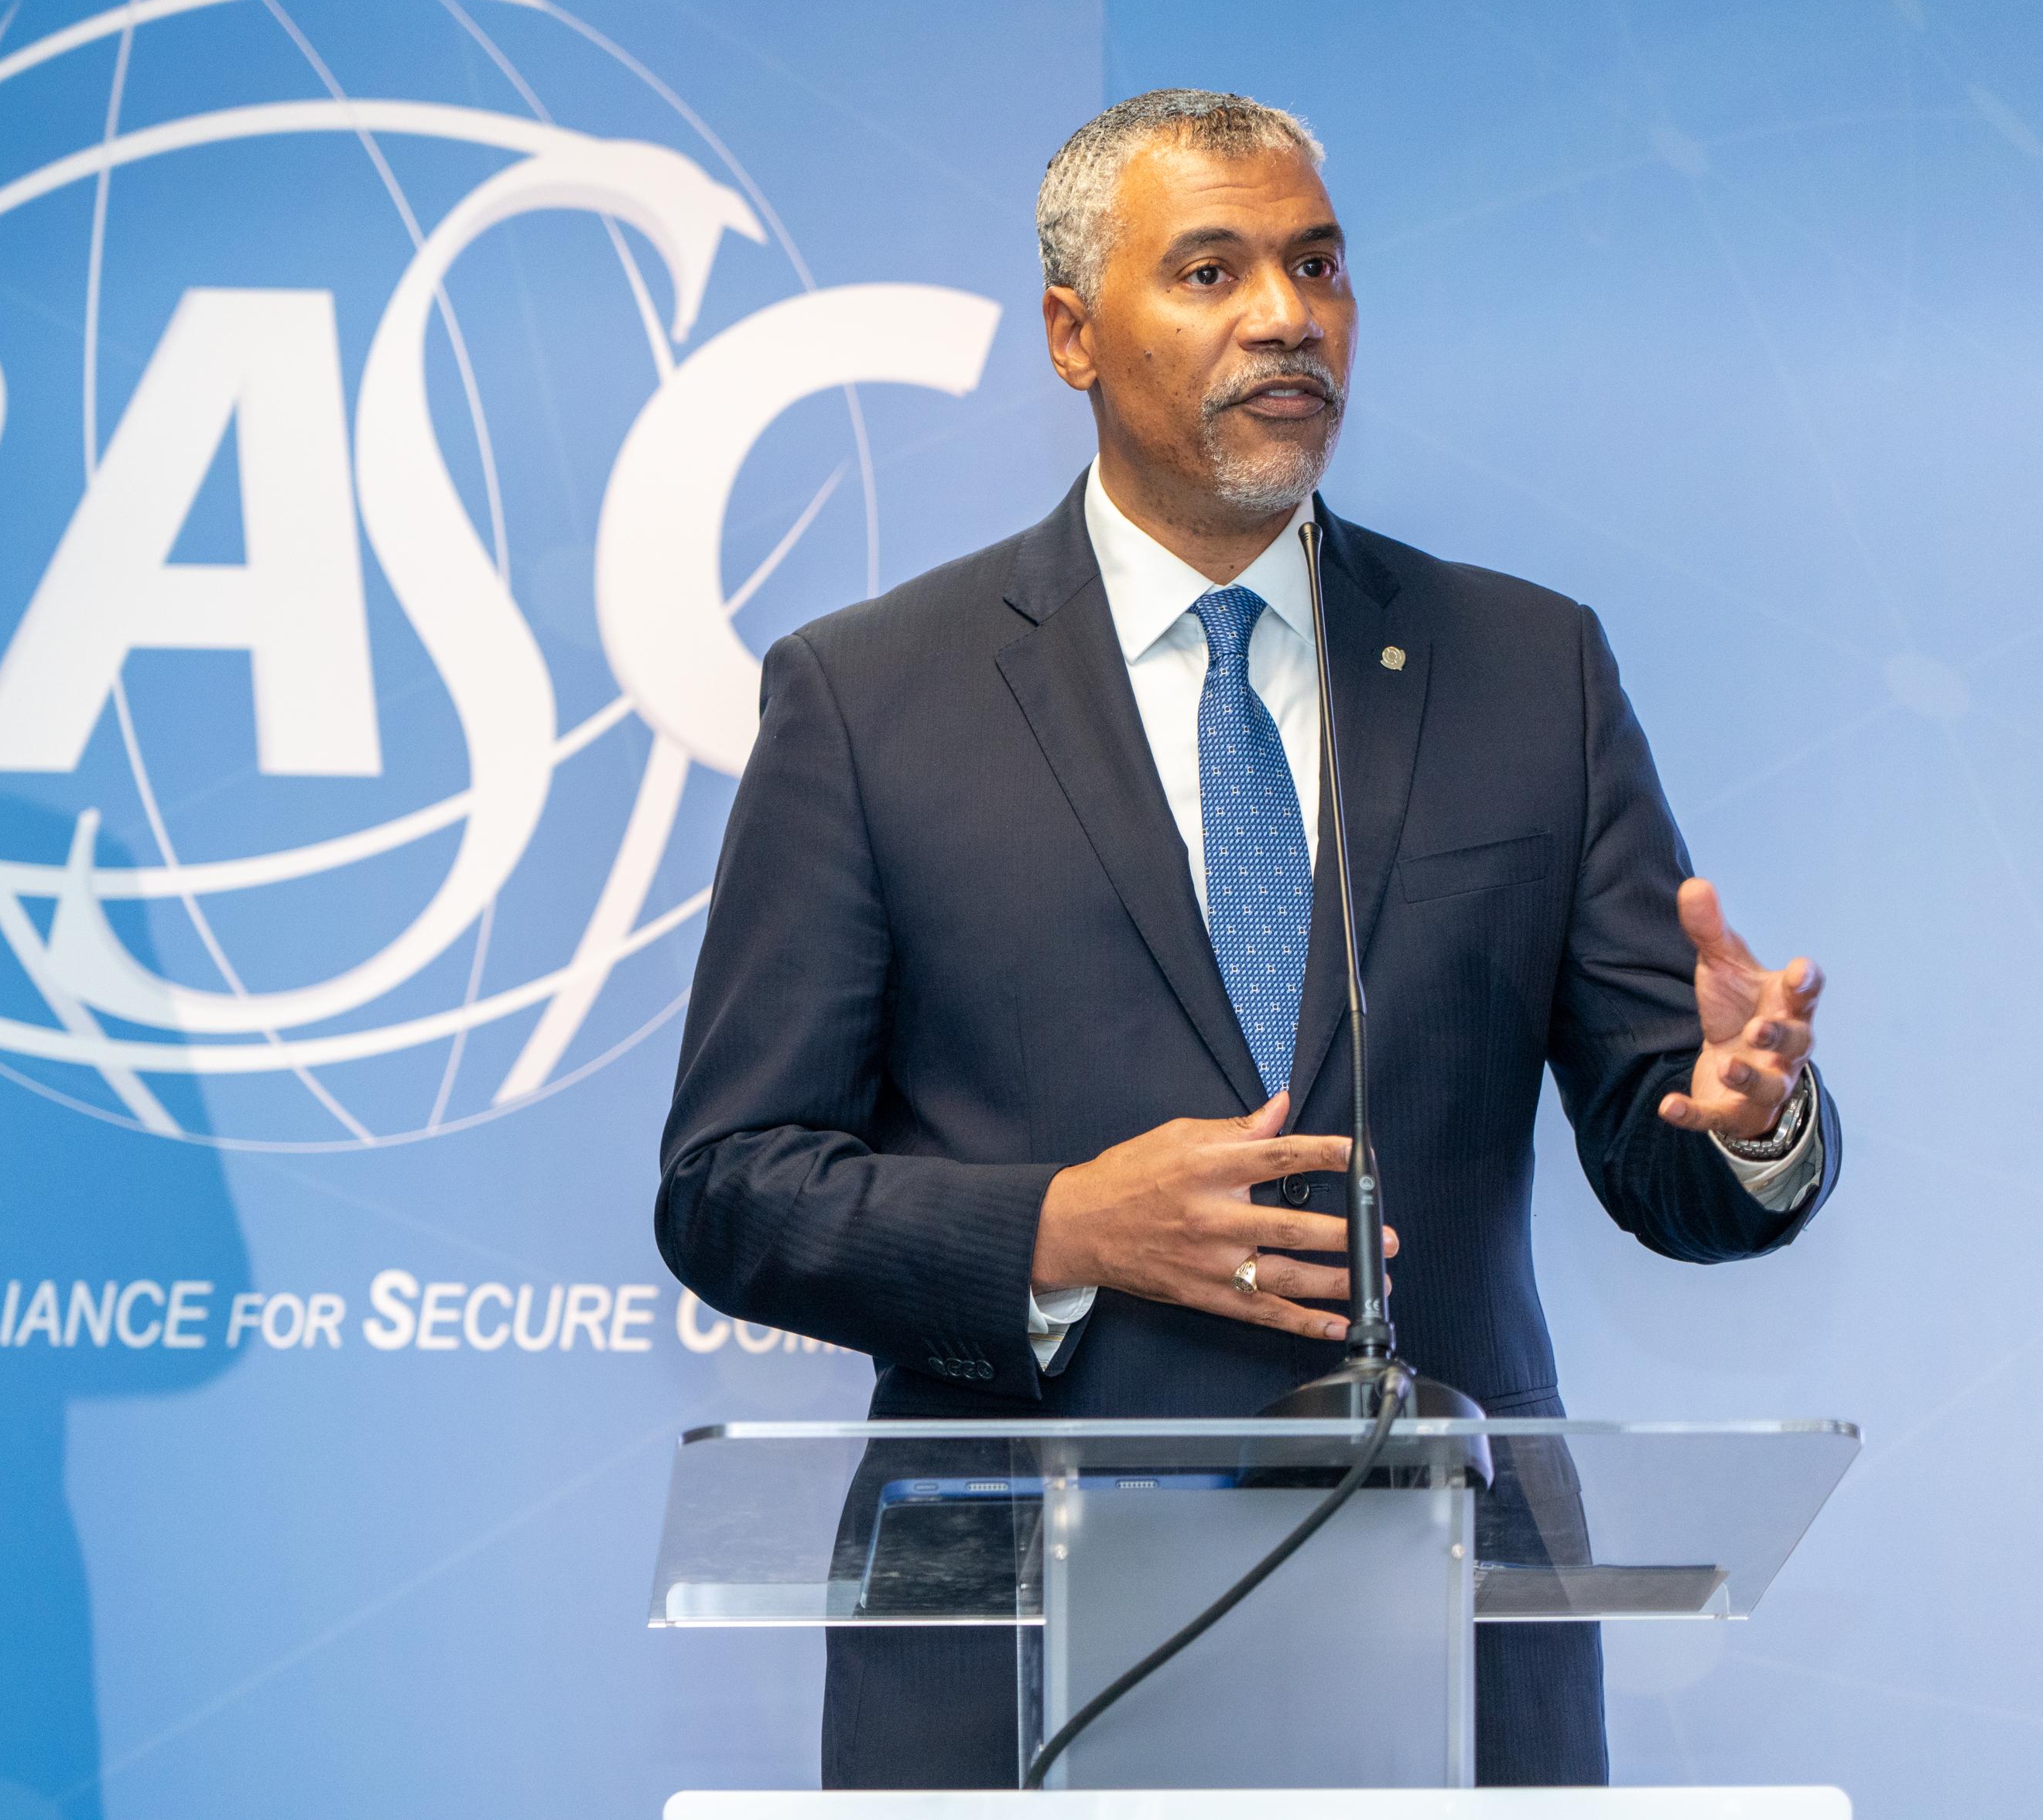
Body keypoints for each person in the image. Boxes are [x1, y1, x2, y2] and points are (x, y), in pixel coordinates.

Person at [653, 89, 1839, 1789]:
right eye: (1211, 271)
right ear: (1073, 332)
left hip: (1452, 1638)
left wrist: (1744, 1119)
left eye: (1317, 265)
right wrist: (1056, 1228)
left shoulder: (1528, 669)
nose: (1286, 315)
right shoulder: (869, 698)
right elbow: (731, 1183)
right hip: (1009, 1659)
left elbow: (1671, 1154)